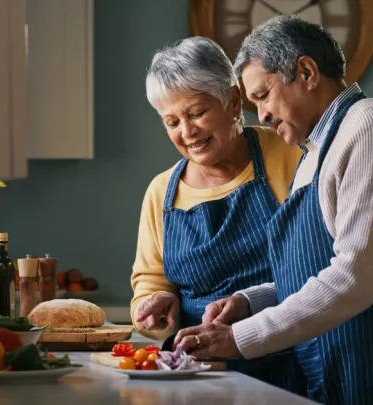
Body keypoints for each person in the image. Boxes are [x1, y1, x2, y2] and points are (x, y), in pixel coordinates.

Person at [175, 15, 373, 405]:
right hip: (348, 361)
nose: (260, 115)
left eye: (263, 95)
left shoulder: (372, 128)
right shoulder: (316, 150)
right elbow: (317, 269)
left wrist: (240, 339)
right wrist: (251, 300)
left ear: (307, 72)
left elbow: (355, 276)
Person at [130, 36, 305, 392]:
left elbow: (317, 269)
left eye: (197, 113)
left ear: (234, 99)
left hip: (289, 364)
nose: (187, 132)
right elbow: (149, 283)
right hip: (196, 374)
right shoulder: (161, 192)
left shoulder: (290, 156)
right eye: (171, 121)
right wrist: (155, 305)